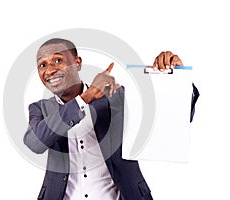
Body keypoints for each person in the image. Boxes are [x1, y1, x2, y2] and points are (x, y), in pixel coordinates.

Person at [23, 38, 199, 200]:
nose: (50, 70)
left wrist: (176, 80)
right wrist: (84, 98)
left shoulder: (115, 96)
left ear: (77, 63)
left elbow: (171, 121)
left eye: (58, 60)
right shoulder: (40, 108)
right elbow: (34, 143)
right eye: (42, 65)